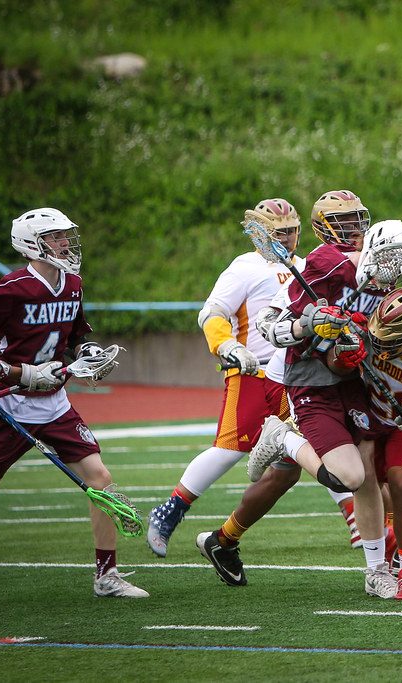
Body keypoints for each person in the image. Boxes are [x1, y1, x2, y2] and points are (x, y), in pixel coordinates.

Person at [196, 191, 402, 599]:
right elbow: (276, 327)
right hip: (308, 377)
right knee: (346, 477)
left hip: (353, 379)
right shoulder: (321, 263)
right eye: (345, 222)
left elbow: (382, 329)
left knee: (368, 471)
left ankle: (376, 570)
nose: (355, 230)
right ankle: (282, 436)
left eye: (359, 220)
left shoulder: (381, 274)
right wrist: (312, 324)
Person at [244, 284, 402, 600]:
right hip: (365, 414)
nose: (379, 340)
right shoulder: (369, 323)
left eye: (391, 338)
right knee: (356, 483)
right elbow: (334, 364)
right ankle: (380, 563)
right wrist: (344, 357)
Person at [145, 198, 343, 556]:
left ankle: (375, 537)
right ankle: (171, 509)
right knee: (230, 449)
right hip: (253, 370)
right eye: (281, 233)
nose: (289, 238)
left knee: (321, 449)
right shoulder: (245, 267)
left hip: (295, 373)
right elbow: (213, 312)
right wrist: (226, 346)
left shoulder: (305, 266)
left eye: (293, 231)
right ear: (261, 234)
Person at [0, 208, 147, 598]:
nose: (65, 243)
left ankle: (106, 575)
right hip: (11, 406)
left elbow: (76, 334)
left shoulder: (72, 283)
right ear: (32, 243)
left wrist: (88, 352)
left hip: (55, 403)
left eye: (65, 236)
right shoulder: (10, 289)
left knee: (101, 481)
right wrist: (21, 374)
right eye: (56, 237)